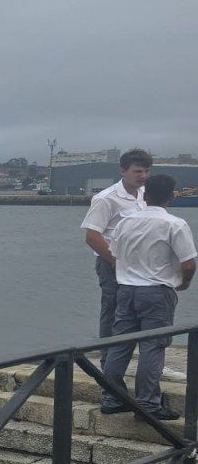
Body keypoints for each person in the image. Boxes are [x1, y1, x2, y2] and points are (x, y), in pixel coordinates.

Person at [102, 173, 196, 420]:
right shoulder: (174, 224)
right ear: (172, 196)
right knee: (152, 347)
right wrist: (185, 282)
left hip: (126, 289)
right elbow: (188, 263)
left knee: (119, 344)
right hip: (156, 291)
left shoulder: (125, 222)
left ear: (146, 195)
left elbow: (114, 253)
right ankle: (148, 405)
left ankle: (111, 398)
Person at [83, 149, 152, 359]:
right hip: (111, 262)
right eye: (138, 171)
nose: (143, 176)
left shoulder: (143, 194)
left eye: (146, 171)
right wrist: (114, 260)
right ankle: (107, 355)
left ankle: (128, 352)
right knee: (112, 307)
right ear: (123, 171)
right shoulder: (106, 199)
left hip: (139, 264)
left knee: (136, 309)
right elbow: (92, 236)